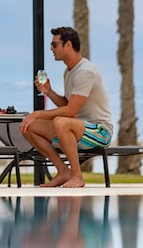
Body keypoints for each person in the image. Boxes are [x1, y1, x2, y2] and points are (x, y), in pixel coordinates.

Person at [19, 26, 114, 188]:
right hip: (76, 128)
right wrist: (49, 92)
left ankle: (77, 176)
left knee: (60, 121)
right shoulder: (69, 71)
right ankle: (63, 171)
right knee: (28, 127)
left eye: (54, 44)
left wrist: (37, 113)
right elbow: (68, 105)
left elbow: (70, 111)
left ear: (68, 45)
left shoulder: (85, 71)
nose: (51, 48)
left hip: (100, 131)